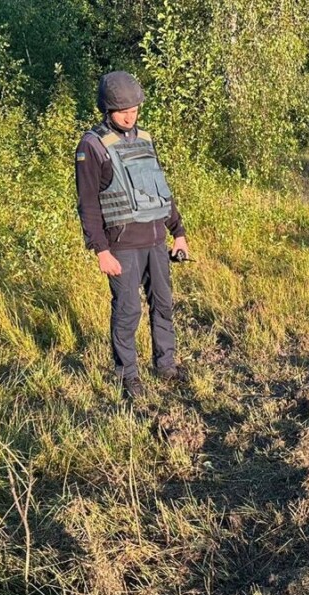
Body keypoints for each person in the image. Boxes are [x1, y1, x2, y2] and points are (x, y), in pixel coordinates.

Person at [75, 71, 189, 399]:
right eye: (122, 110)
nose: (130, 115)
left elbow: (160, 190)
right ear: (106, 110)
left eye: (135, 109)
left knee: (163, 304)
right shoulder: (91, 145)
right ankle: (128, 376)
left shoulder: (145, 139)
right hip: (121, 246)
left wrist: (178, 232)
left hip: (155, 240)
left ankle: (166, 366)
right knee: (127, 311)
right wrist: (100, 250)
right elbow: (88, 204)